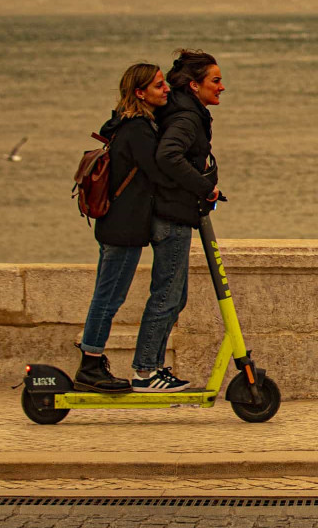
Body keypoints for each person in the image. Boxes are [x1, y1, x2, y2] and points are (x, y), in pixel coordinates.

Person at [124, 50, 225, 392]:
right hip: (171, 217)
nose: (222, 87)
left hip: (175, 214)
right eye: (215, 80)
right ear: (195, 85)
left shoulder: (186, 110)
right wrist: (204, 186)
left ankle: (152, 366)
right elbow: (169, 155)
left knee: (175, 296)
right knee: (167, 295)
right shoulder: (186, 117)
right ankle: (145, 372)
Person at [75, 63, 174, 393]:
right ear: (140, 93)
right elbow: (159, 171)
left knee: (107, 295)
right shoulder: (138, 130)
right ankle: (90, 364)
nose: (166, 90)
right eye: (159, 86)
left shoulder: (120, 125)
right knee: (109, 298)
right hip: (124, 228)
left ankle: (91, 360)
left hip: (113, 224)